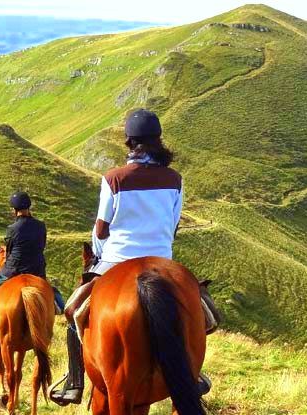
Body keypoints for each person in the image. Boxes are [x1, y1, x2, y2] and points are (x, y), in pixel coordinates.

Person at [51, 109, 210, 406]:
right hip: (163, 260)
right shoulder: (174, 179)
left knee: (73, 311)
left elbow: (100, 229)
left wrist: (98, 255)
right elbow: (173, 225)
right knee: (206, 314)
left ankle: (74, 381)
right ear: (158, 141)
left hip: (116, 259)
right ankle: (192, 374)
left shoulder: (113, 179)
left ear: (129, 142)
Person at [0, 192, 50, 334]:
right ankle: (57, 309)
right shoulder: (41, 226)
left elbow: (10, 251)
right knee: (54, 295)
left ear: (14, 210)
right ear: (29, 207)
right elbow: (41, 246)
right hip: (37, 271)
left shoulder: (12, 228)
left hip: (14, 270)